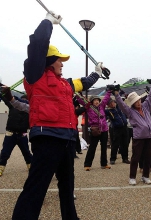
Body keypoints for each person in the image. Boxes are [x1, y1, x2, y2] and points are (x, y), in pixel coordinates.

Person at [11, 11, 106, 220]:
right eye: (59, 60)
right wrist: (47, 23)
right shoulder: (35, 76)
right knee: (36, 188)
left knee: (67, 187)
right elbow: (36, 47)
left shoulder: (65, 84)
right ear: (49, 60)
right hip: (47, 139)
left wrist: (97, 72)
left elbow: (84, 82)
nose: (62, 63)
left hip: (67, 140)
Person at [114, 80, 151, 185]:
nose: (138, 102)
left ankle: (145, 176)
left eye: (138, 100)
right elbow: (122, 105)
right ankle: (132, 177)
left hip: (150, 136)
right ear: (132, 104)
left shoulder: (146, 107)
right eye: (135, 102)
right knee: (135, 157)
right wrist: (116, 94)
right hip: (139, 137)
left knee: (148, 157)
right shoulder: (130, 111)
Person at [77, 92, 111, 171]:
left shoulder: (102, 106)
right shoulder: (89, 107)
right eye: (94, 100)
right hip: (95, 130)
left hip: (104, 130)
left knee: (104, 148)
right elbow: (82, 101)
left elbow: (105, 99)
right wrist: (79, 95)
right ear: (92, 101)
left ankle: (104, 163)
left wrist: (109, 91)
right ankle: (87, 164)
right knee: (92, 147)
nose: (96, 101)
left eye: (97, 100)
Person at [0, 93, 32, 177]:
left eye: (26, 101)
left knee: (26, 153)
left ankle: (31, 167)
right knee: (5, 153)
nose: (24, 102)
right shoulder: (12, 106)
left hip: (23, 134)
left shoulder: (29, 109)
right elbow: (4, 97)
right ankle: (1, 168)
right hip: (10, 133)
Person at [105, 98, 130, 165]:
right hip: (117, 128)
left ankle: (125, 158)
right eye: (111, 103)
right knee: (115, 144)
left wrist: (118, 93)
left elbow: (119, 101)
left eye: (113, 102)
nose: (113, 104)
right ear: (109, 105)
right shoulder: (108, 111)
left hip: (124, 127)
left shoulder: (118, 108)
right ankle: (112, 159)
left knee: (125, 143)